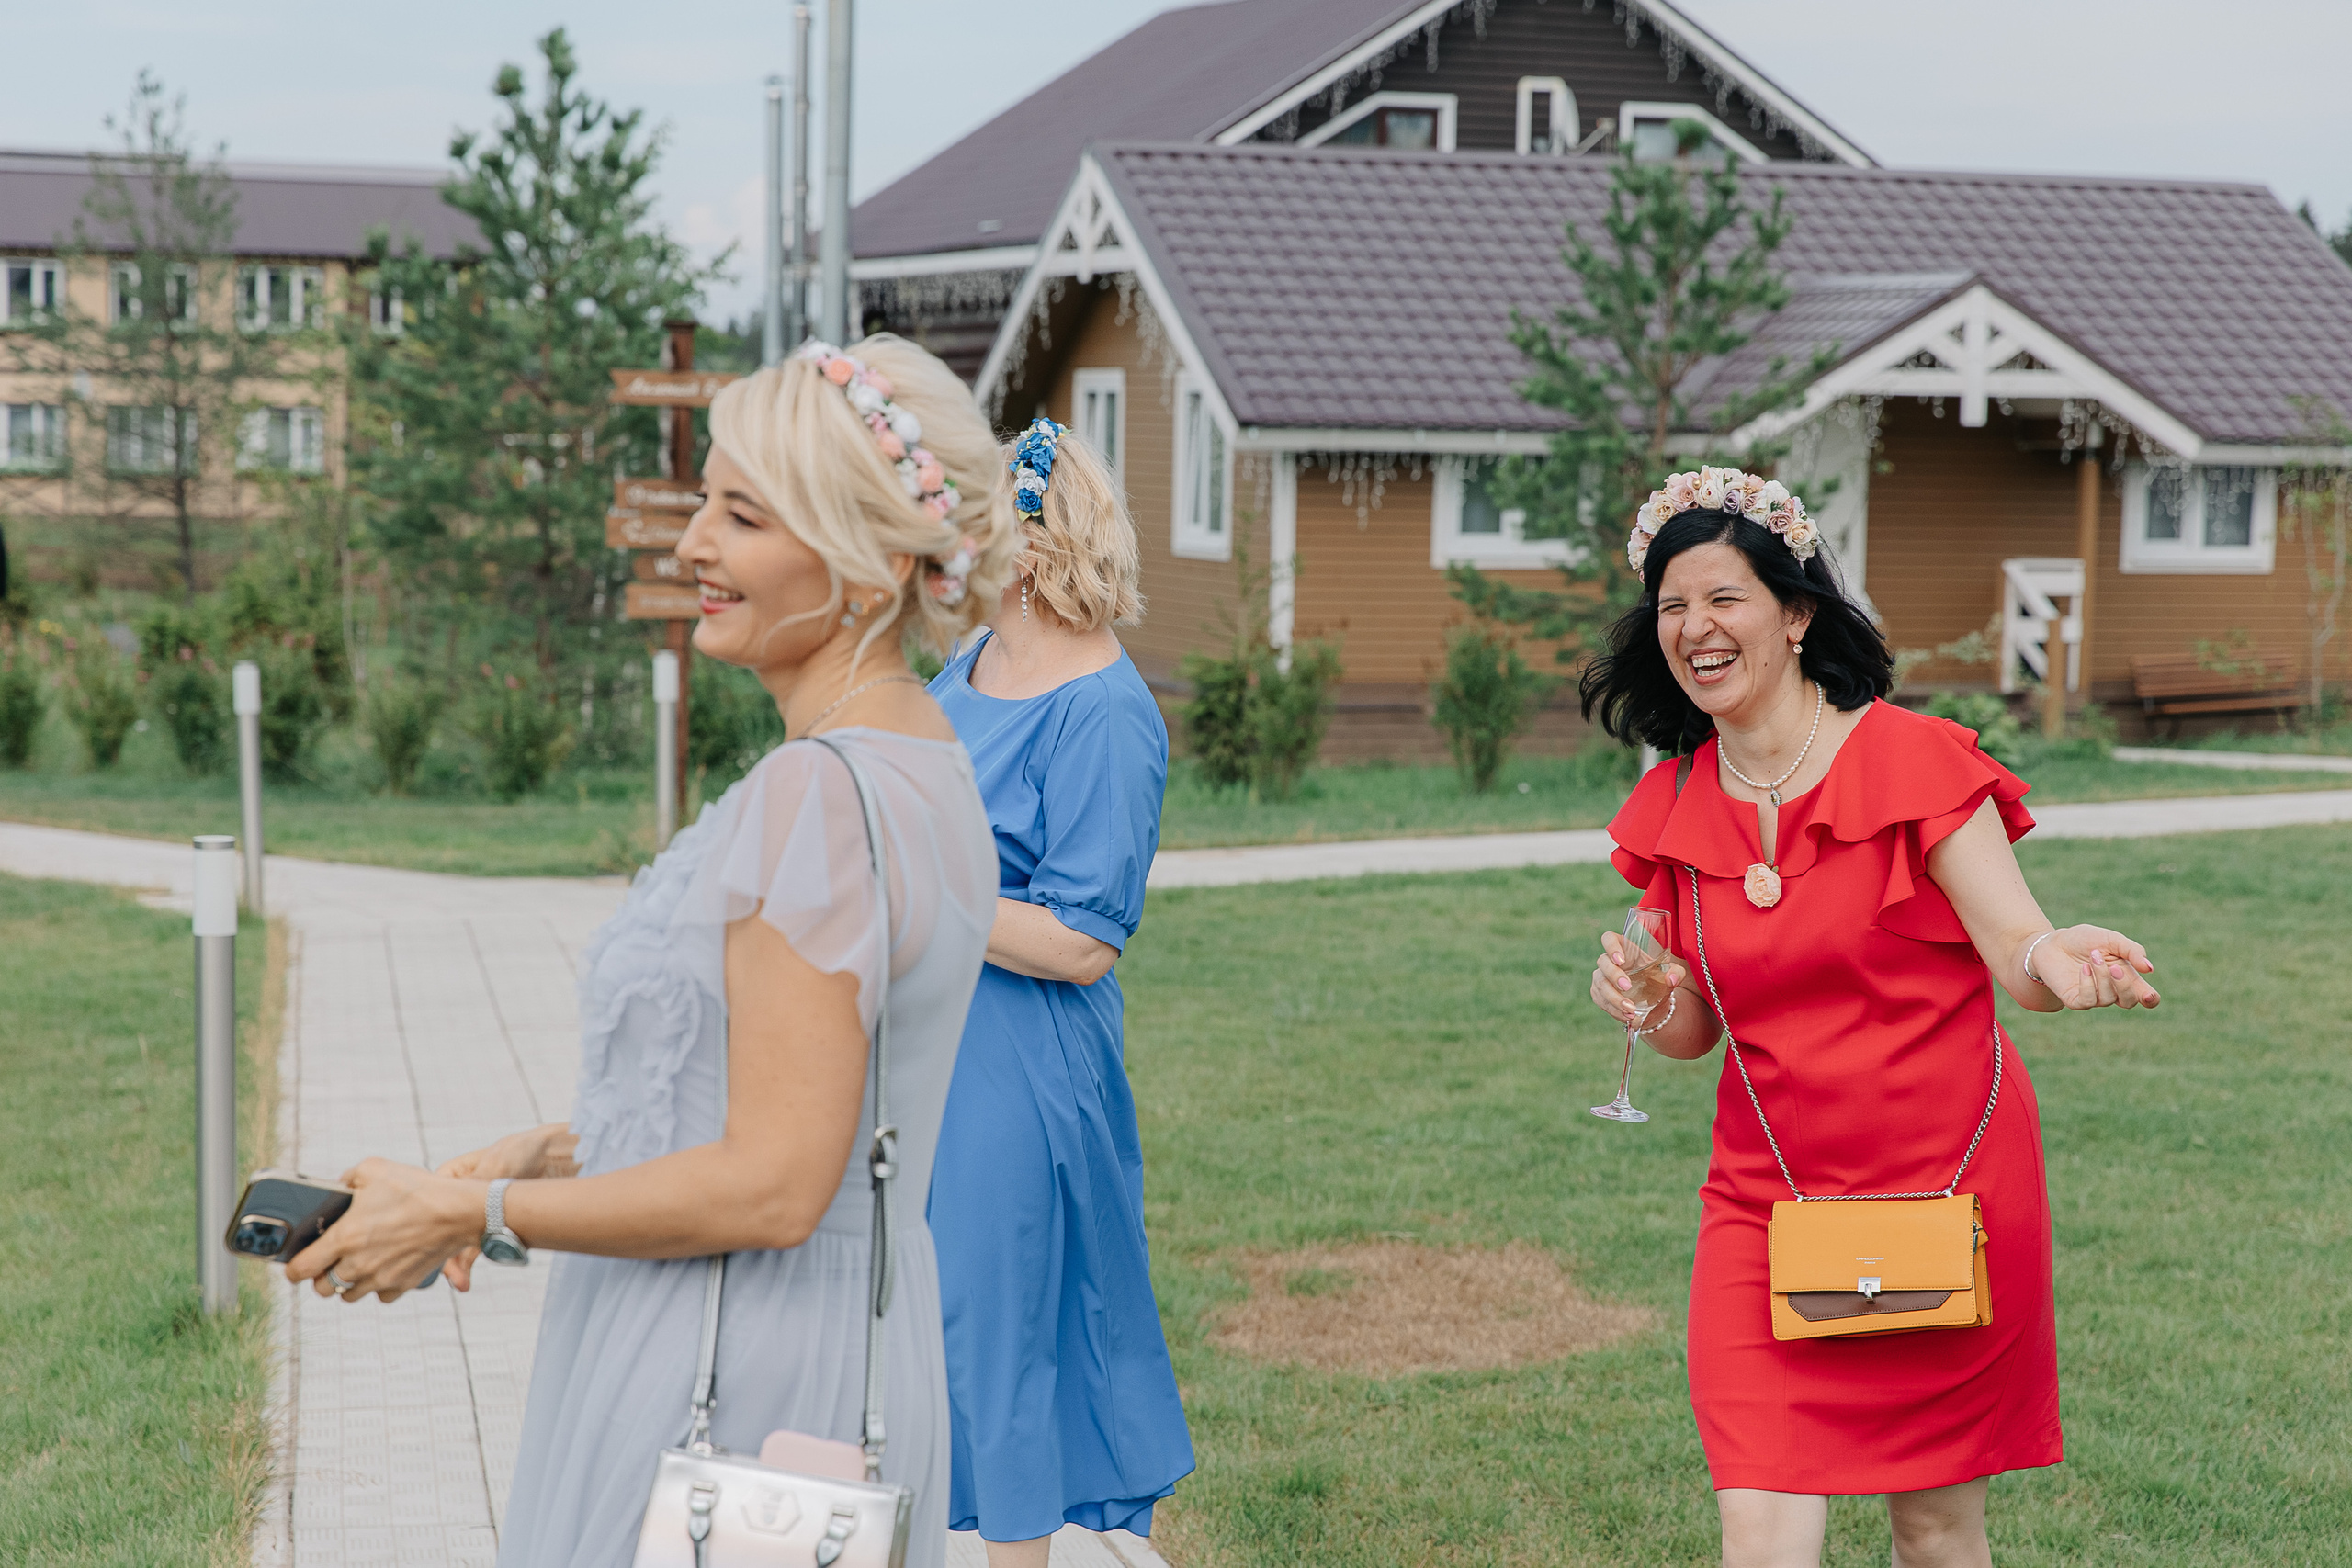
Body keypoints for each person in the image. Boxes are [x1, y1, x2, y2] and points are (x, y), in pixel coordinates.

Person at [283, 334, 1023, 1568]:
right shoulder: (928, 765)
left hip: (724, 1363)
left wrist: (475, 1204)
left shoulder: (814, 797)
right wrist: (560, 1150)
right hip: (847, 1344)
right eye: (701, 506)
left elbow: (780, 1185)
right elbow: (817, 1100)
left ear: (876, 562)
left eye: (740, 515)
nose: (693, 546)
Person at [1583, 468, 2162, 1568]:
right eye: (1671, 607)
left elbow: (2015, 952)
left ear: (1795, 615)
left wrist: (2060, 953)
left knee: (1935, 1529)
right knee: (1759, 1527)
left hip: (1945, 1199)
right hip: (1766, 1210)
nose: (1694, 628)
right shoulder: (1671, 806)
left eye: (1723, 599)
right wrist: (1645, 999)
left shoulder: (1914, 760)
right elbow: (1690, 1029)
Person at [925, 419, 1194, 1565]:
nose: (945, 552)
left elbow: (1084, 939)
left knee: (1005, 1338)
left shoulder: (1106, 714)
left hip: (1022, 1071)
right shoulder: (969, 662)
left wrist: (918, 896)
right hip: (929, 1045)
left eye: (967, 531)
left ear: (1029, 551)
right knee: (921, 1331)